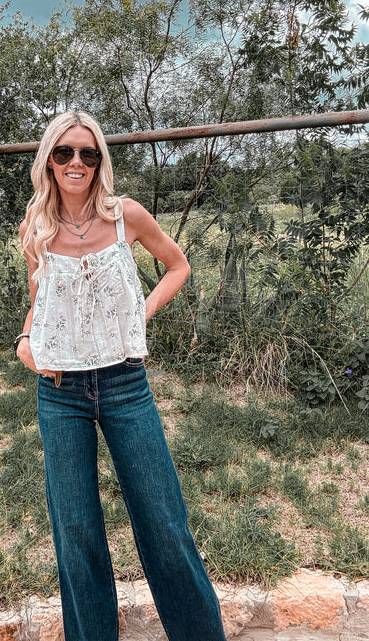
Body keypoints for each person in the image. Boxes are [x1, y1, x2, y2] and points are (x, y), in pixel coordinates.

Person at [15, 111, 227, 641]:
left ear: (100, 161)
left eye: (88, 153)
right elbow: (42, 303)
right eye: (65, 152)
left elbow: (178, 266)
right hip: (60, 392)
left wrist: (140, 315)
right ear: (49, 160)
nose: (77, 162)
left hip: (125, 385)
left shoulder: (124, 216)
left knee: (163, 521)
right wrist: (24, 341)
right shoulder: (35, 228)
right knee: (76, 531)